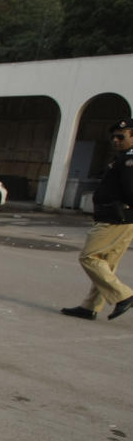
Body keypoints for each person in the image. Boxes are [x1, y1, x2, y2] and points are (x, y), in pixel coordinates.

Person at [59, 118, 133, 322]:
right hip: (120, 219)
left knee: (89, 257)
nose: (116, 140)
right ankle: (90, 307)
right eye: (114, 137)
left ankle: (124, 295)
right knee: (106, 265)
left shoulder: (129, 160)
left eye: (121, 137)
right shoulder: (122, 158)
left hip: (116, 219)